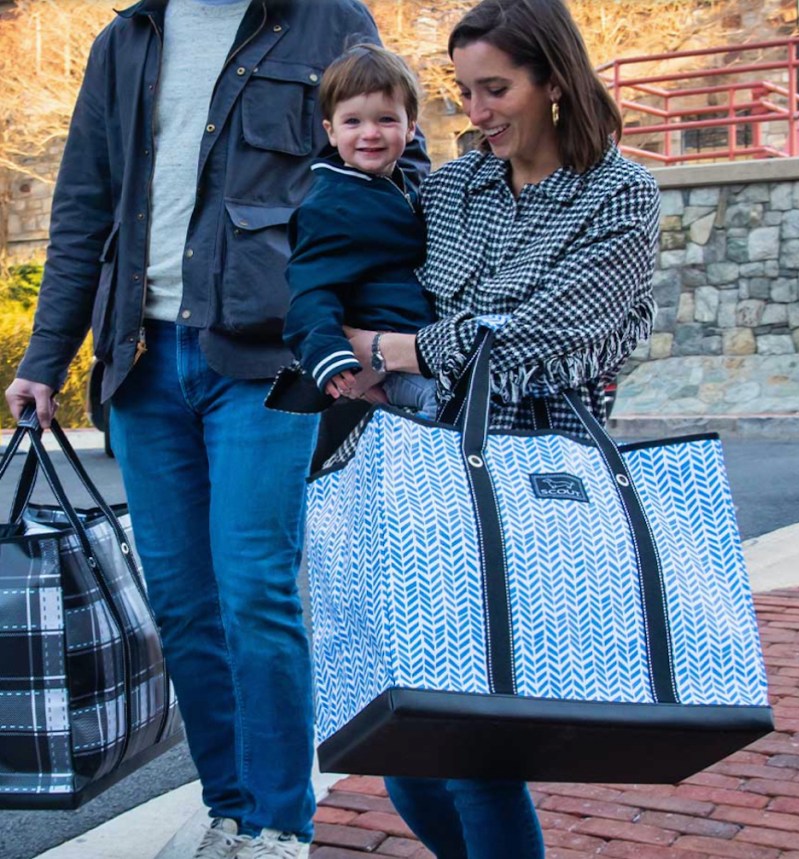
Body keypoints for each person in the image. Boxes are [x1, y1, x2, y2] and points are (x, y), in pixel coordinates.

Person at [4, 1, 428, 857]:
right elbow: (83, 205)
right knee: (184, 607)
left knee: (254, 590)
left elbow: (398, 174)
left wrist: (378, 334)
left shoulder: (326, 18)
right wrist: (46, 358)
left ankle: (280, 823)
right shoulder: (126, 39)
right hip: (138, 358)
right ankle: (229, 809)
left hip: (268, 358)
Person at [339, 0, 661, 855]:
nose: (475, 114)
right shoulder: (451, 186)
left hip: (537, 480)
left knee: (475, 743)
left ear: (554, 81)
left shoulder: (619, 195)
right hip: (425, 470)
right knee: (404, 739)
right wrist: (350, 340)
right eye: (464, 92)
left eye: (496, 89)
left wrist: (390, 346)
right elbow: (364, 263)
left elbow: (547, 342)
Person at [284, 44, 437, 419]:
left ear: (410, 127)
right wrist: (326, 352)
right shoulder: (332, 204)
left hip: (416, 345)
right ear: (331, 131)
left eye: (386, 119)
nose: (370, 133)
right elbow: (311, 289)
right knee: (449, 401)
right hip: (384, 358)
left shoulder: (400, 189)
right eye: (353, 122)